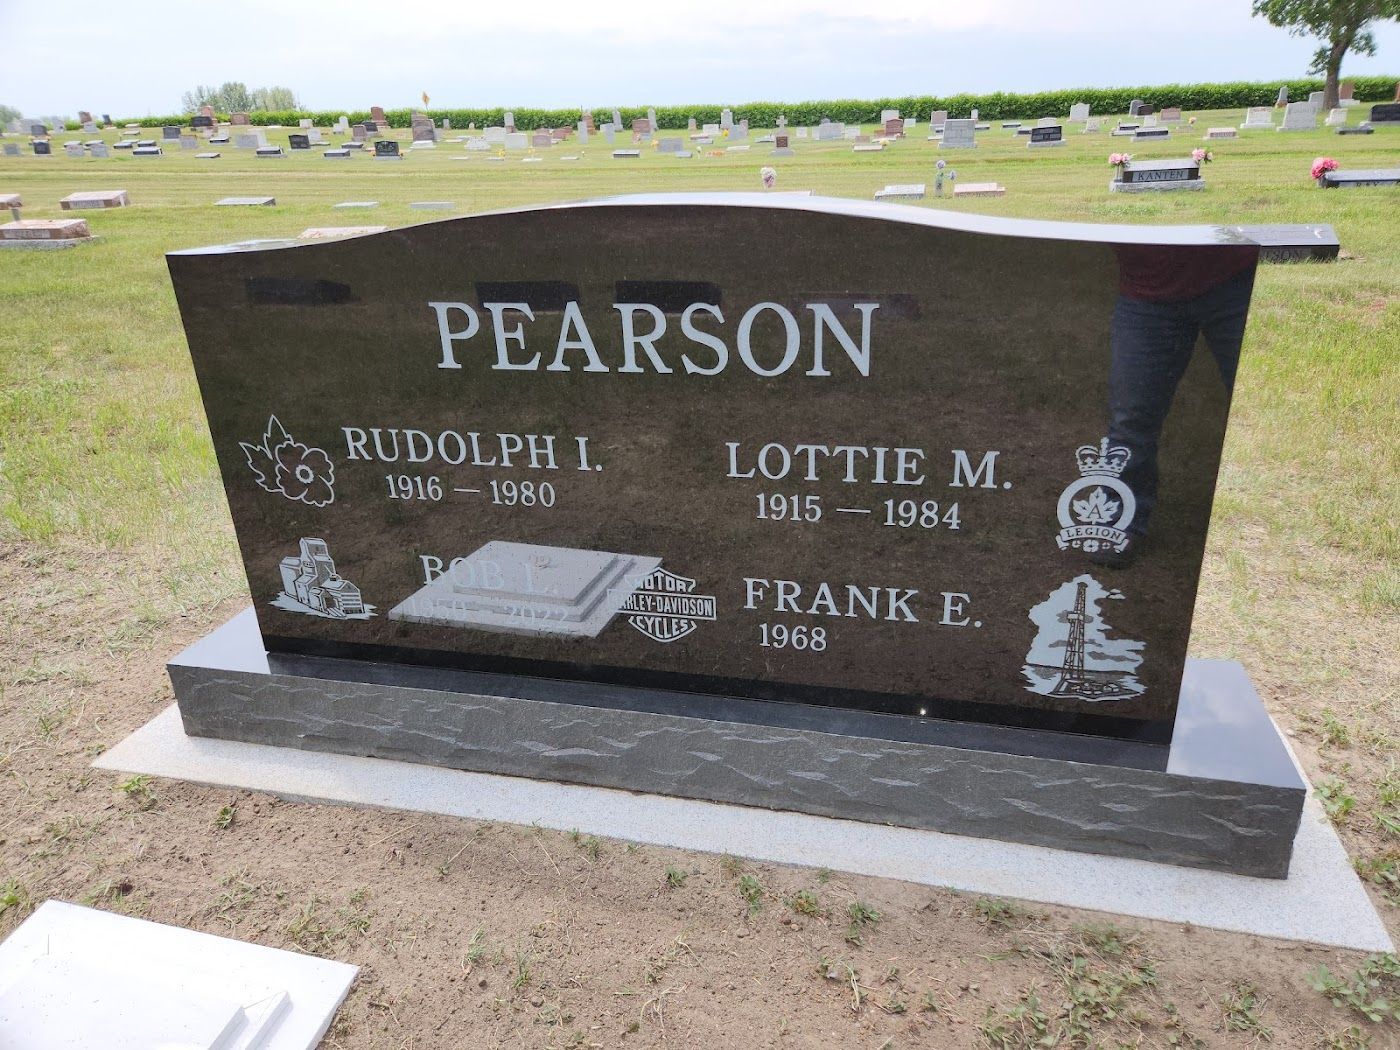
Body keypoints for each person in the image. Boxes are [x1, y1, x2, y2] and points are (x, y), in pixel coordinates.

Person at [1097, 243, 1259, 567]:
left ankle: (1266, 526)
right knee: (1130, 417)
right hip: (1145, 292)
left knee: (1256, 409)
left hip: (1232, 280)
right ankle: (1118, 522)